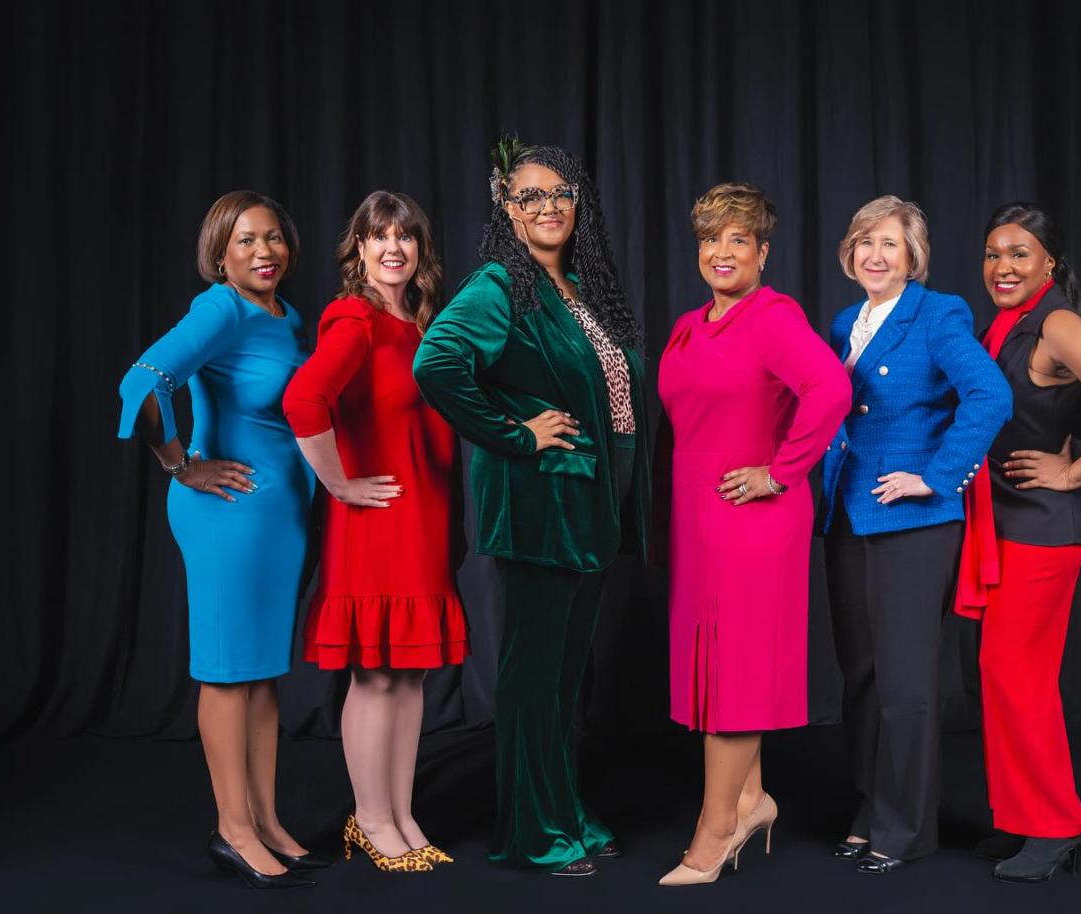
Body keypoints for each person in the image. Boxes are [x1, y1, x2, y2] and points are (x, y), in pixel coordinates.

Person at [413, 138, 650, 877]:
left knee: (565, 677)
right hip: (540, 506)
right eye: (530, 196)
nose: (548, 207)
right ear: (506, 209)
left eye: (561, 193)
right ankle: (531, 830)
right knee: (531, 675)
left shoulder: (576, 286)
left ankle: (564, 808)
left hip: (591, 505)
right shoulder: (497, 286)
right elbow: (437, 364)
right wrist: (515, 433)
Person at [117, 191, 322, 889]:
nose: (263, 252)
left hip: (278, 517)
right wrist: (182, 463)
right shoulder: (220, 309)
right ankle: (231, 829)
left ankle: (264, 819)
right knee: (229, 672)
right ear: (219, 253)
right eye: (244, 242)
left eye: (272, 238)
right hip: (227, 515)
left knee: (264, 674)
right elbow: (143, 381)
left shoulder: (284, 314)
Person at [955, 202, 1081, 883]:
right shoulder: (1006, 325)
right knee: (1002, 674)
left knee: (1019, 676)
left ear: (1049, 263)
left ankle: (1056, 827)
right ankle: (1021, 819)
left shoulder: (1057, 323)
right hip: (1008, 521)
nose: (1002, 266)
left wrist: (1073, 471)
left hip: (1046, 529)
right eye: (992, 253)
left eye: (1018, 253)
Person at [656, 182, 851, 886]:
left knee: (735, 671)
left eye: (739, 239)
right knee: (715, 666)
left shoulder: (773, 317)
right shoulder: (688, 324)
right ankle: (750, 798)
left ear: (763, 251)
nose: (722, 251)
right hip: (699, 523)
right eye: (711, 239)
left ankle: (714, 833)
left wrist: (782, 471)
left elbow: (830, 390)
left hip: (753, 523)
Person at [820, 195, 1012, 874]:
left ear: (913, 257)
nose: (876, 255)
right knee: (863, 676)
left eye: (890, 245)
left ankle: (906, 829)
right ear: (851, 250)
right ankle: (872, 808)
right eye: (866, 241)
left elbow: (991, 396)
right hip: (849, 513)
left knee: (907, 680)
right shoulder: (848, 320)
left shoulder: (938, 313)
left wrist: (936, 474)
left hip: (915, 522)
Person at [282, 191, 467, 874]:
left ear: (420, 249)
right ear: (357, 249)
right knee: (378, 674)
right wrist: (336, 482)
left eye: (406, 237)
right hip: (377, 523)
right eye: (378, 236)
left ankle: (401, 812)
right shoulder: (354, 318)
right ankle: (369, 819)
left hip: (423, 520)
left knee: (410, 675)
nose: (394, 248)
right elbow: (303, 399)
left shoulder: (418, 324)